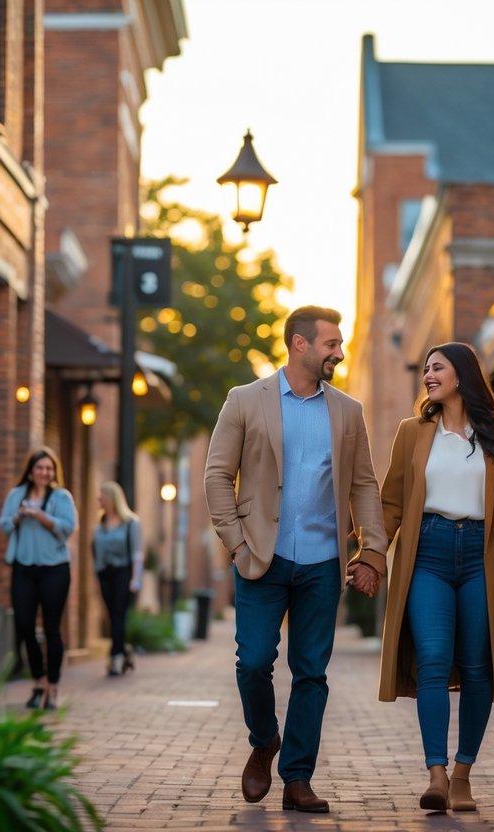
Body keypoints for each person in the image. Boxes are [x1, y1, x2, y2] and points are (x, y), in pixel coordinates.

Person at [204, 305, 387, 814]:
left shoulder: (348, 410)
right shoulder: (245, 400)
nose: (340, 352)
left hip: (322, 564)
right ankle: (265, 740)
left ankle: (297, 777)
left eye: (340, 343)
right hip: (261, 558)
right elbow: (217, 475)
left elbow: (364, 485)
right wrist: (237, 544)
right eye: (331, 343)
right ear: (300, 344)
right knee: (254, 662)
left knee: (311, 672)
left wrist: (371, 550)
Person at [358, 341, 494, 813]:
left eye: (437, 368)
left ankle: (463, 773)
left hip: (485, 557)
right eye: (425, 369)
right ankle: (436, 773)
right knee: (434, 661)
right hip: (429, 554)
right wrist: (372, 554)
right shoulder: (412, 433)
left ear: (462, 375)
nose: (428, 376)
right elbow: (392, 502)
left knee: (479, 666)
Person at [0, 447, 77, 711]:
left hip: (55, 568)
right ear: (30, 471)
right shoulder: (16, 495)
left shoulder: (61, 496)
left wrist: (41, 517)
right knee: (24, 626)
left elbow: (68, 528)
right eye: (40, 468)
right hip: (24, 568)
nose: (45, 472)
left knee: (52, 629)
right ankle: (38, 683)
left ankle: (52, 689)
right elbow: (3, 524)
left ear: (54, 472)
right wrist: (19, 517)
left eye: (49, 468)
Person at [94, 481, 144, 677]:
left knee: (118, 614)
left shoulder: (131, 522)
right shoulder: (100, 523)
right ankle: (124, 651)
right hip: (104, 574)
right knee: (111, 616)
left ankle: (116, 658)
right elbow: (96, 553)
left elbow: (137, 553)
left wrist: (136, 579)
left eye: (102, 497)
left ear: (111, 499)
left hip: (123, 572)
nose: (99, 500)